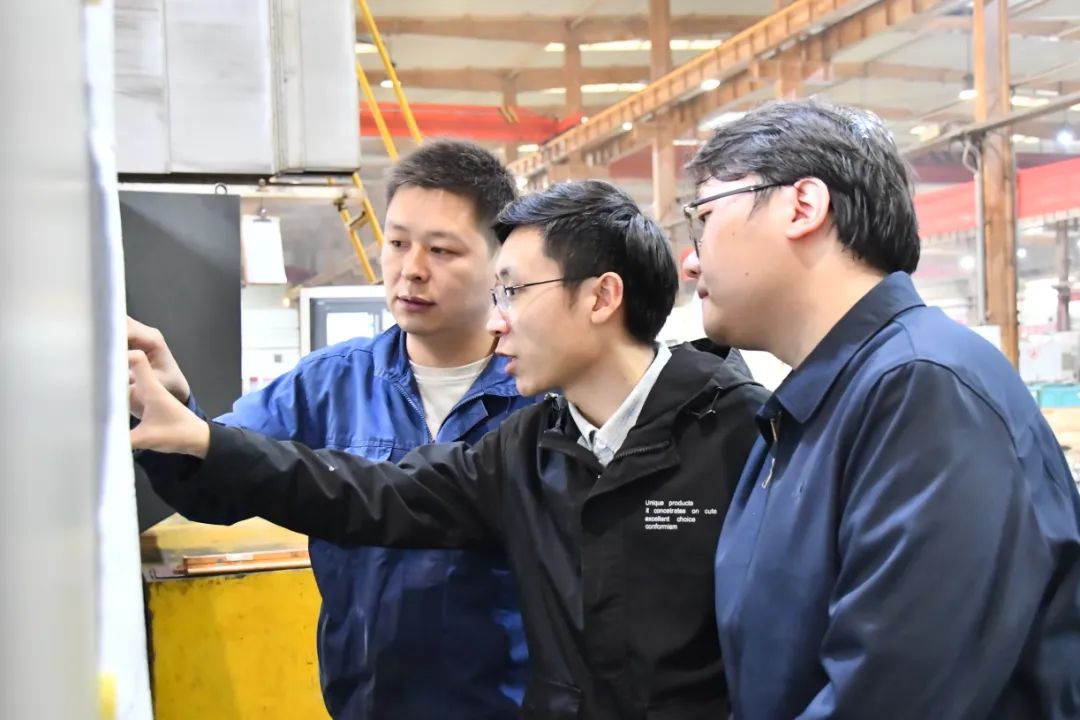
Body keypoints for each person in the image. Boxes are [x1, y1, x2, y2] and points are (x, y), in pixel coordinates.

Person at [130, 180, 769, 719]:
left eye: (513, 291)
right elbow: (372, 493)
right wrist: (202, 438)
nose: (496, 320)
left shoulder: (744, 435)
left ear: (601, 297)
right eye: (398, 243)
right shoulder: (530, 446)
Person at [681, 98, 1080, 719]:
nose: (690, 259)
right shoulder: (808, 411)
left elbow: (890, 696)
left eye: (703, 218)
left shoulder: (924, 389)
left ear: (802, 206)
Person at [130, 140, 535, 720]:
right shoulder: (328, 385)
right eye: (397, 243)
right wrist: (172, 408)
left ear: (500, 262)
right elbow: (215, 487)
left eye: (442, 250)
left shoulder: (539, 395)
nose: (411, 269)